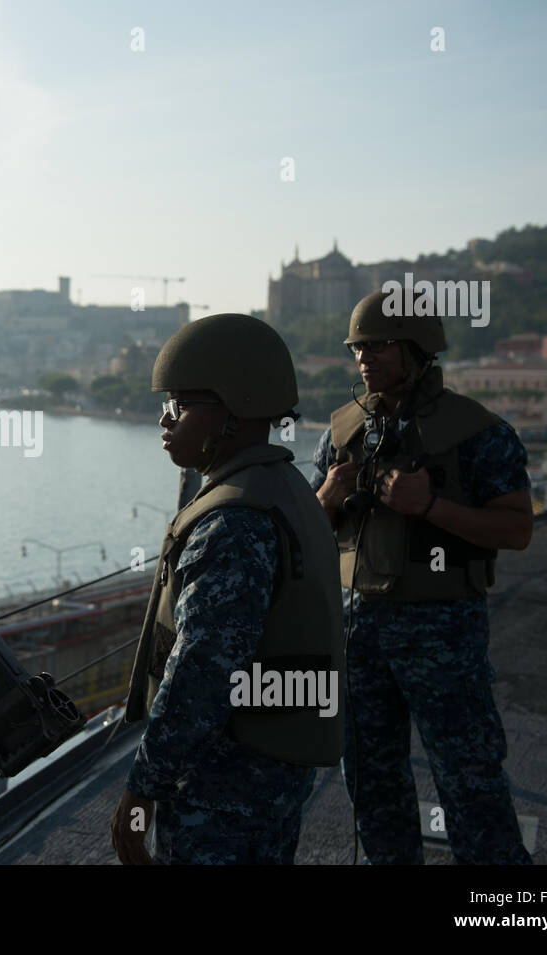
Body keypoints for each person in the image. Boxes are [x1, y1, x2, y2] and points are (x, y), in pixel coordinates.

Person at [311, 289, 534, 865]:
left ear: (417, 348)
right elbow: (310, 534)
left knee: (470, 783)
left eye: (379, 344)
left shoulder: (476, 431)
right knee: (370, 780)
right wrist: (329, 497)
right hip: (358, 633)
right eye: (358, 346)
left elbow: (516, 529)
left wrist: (431, 506)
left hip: (443, 634)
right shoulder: (341, 430)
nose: (364, 357)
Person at [112, 313, 344, 865]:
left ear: (234, 411)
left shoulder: (232, 520)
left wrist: (144, 785)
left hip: (224, 781)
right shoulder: (285, 489)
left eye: (182, 404)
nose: (165, 419)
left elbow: (203, 671)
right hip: (271, 766)